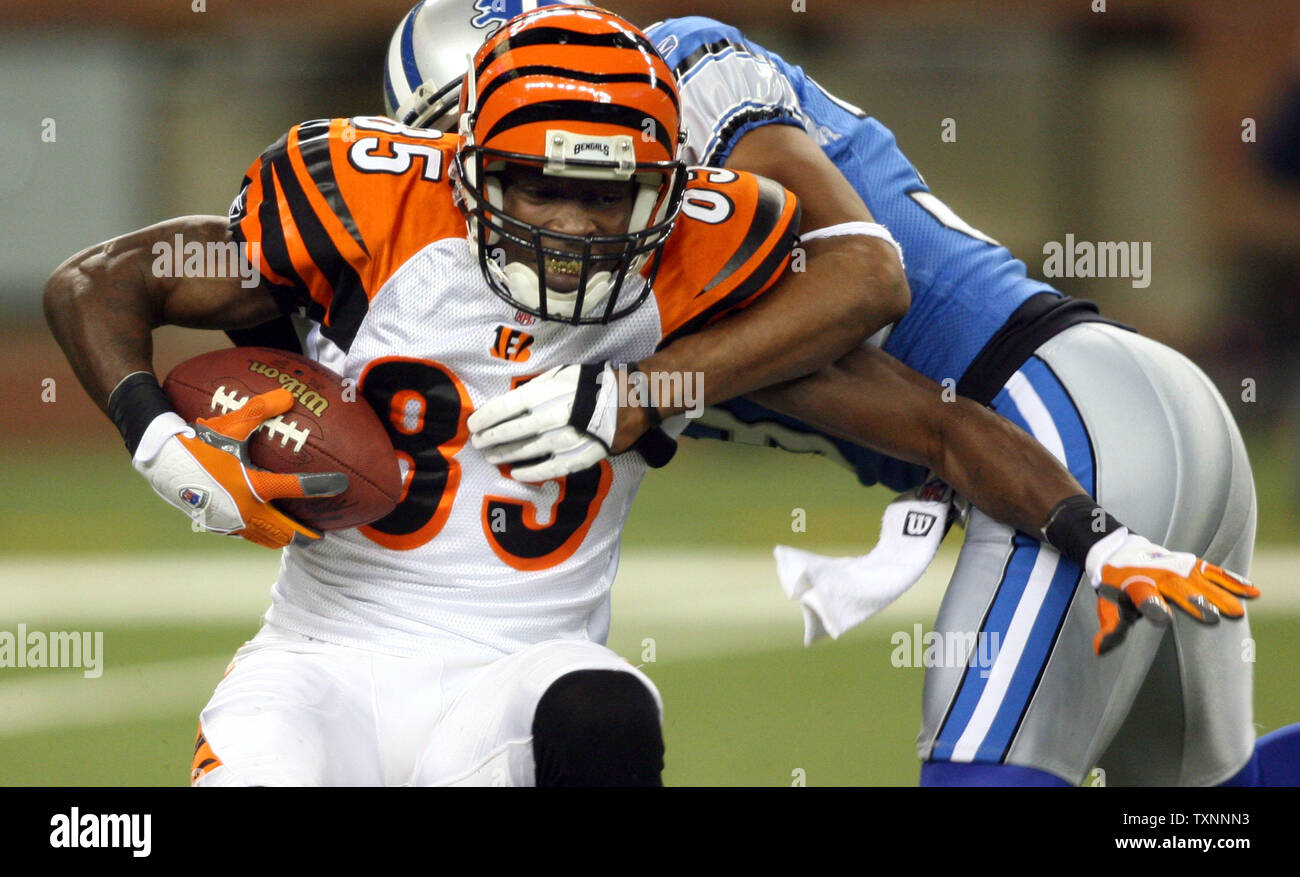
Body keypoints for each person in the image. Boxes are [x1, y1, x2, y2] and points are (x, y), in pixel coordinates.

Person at [43, 3, 1257, 787]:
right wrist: (166, 436)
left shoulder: (696, 268)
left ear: (666, 169)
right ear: (443, 148)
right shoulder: (356, 229)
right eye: (525, 171)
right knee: (1200, 803)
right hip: (329, 657)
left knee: (606, 719)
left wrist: (636, 387)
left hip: (1059, 412)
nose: (569, 221)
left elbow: (882, 314)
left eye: (606, 184)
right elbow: (112, 280)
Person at [435, 7, 1289, 786]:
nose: (553, 214)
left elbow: (867, 278)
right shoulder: (641, 295)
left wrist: (639, 391)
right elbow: (927, 422)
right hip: (1094, 422)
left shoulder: (690, 81)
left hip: (1059, 416)